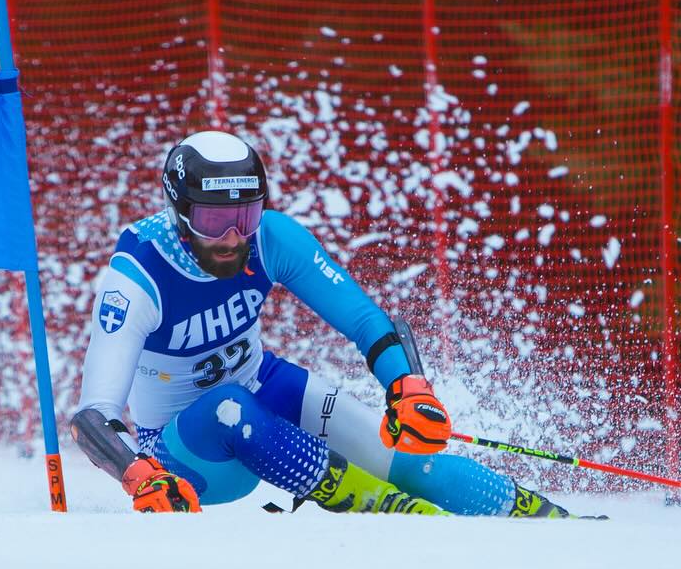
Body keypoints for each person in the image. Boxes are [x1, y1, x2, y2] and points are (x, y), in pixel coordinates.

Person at [69, 130, 580, 517]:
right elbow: (94, 415)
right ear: (179, 214)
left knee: (409, 459)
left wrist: (408, 387)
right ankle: (393, 514)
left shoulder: (272, 238)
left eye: (245, 217)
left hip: (263, 388)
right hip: (185, 453)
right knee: (229, 407)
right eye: (210, 221)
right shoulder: (137, 278)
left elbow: (363, 319)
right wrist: (138, 475)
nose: (230, 237)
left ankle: (559, 523)